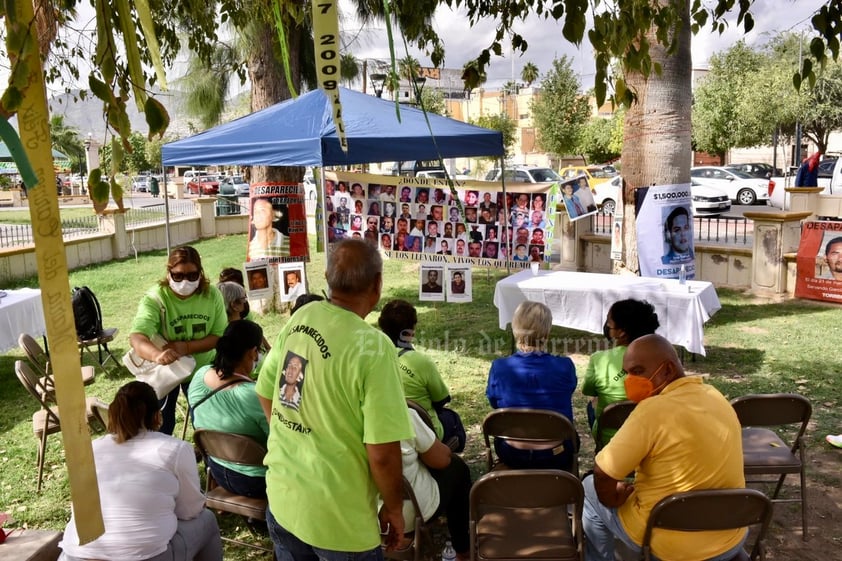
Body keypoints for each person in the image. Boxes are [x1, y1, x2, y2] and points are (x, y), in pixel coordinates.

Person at [256, 239, 413, 558]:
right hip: (339, 523)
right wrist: (394, 508)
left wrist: (294, 438)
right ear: (378, 283)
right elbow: (382, 453)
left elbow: (265, 391)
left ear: (327, 276)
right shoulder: (375, 348)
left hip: (284, 498)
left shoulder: (304, 315)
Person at [582, 334, 746, 561]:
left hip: (667, 543)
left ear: (668, 370)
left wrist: (612, 498)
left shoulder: (651, 411)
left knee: (589, 488)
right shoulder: (716, 396)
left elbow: (603, 473)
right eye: (627, 373)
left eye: (638, 372)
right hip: (730, 537)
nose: (630, 380)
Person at [58, 381, 222, 561]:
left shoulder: (89, 449)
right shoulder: (176, 449)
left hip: (74, 555)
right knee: (207, 519)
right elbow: (190, 510)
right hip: (142, 556)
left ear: (113, 414)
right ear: (157, 416)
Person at [129, 246, 227, 435]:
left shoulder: (211, 295)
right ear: (168, 273)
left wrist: (186, 347)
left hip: (202, 369)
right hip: (166, 373)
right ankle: (164, 463)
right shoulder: (156, 298)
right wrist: (157, 355)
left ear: (200, 273)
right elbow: (137, 337)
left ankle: (210, 460)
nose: (185, 281)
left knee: (209, 424)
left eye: (192, 275)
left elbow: (219, 336)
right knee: (160, 426)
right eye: (178, 276)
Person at [486, 301, 578, 471]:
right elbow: (567, 392)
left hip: (511, 452)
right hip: (556, 453)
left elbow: (494, 402)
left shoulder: (499, 367)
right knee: (573, 437)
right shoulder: (565, 366)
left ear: (515, 329)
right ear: (547, 332)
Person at [188, 320, 269, 498]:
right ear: (253, 353)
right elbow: (278, 443)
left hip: (218, 469)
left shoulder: (199, 376)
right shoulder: (254, 396)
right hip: (257, 482)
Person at [392, 407, 472, 561]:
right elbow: (441, 460)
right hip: (406, 513)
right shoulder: (402, 414)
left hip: (362, 512)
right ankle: (462, 548)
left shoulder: (343, 421)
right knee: (457, 468)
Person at [582, 299, 660, 446]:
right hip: (648, 438)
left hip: (609, 441)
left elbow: (587, 390)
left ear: (622, 332)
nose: (607, 327)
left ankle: (599, 448)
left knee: (591, 404)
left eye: (609, 324)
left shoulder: (599, 359)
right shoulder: (660, 356)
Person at [378, 300, 454, 441]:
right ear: (411, 331)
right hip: (424, 431)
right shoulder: (421, 362)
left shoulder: (370, 357)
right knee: (452, 419)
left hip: (384, 428)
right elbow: (441, 399)